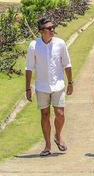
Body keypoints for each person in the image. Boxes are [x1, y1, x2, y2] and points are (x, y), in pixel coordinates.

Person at [25, 16, 73, 157]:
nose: (52, 30)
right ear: (41, 31)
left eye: (53, 27)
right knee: (44, 115)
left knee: (60, 113)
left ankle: (58, 135)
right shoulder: (34, 45)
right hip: (41, 86)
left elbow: (67, 64)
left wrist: (70, 82)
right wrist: (28, 88)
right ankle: (47, 145)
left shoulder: (60, 43)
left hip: (58, 84)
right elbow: (29, 68)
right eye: (49, 28)